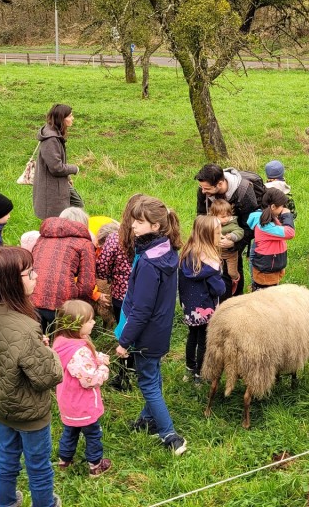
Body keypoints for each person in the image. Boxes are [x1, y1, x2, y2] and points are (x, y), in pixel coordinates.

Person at [0, 246, 64, 507]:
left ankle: (5, 501)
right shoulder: (26, 327)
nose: (36, 277)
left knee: (7, 455)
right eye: (29, 273)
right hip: (29, 412)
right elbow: (48, 375)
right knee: (39, 464)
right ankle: (45, 503)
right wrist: (48, 351)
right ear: (11, 281)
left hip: (0, 403)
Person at [114, 195, 187, 455]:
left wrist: (124, 341)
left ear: (155, 227)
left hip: (146, 334)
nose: (132, 225)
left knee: (147, 382)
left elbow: (141, 309)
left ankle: (169, 434)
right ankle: (147, 419)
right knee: (152, 375)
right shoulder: (167, 250)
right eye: (133, 220)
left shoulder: (147, 263)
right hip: (161, 329)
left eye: (139, 222)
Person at [52, 300, 112, 477]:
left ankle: (65, 460)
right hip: (83, 404)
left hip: (68, 402)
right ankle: (95, 465)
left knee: (70, 431)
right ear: (77, 325)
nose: (94, 322)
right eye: (90, 320)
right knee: (93, 434)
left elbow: (83, 362)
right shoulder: (79, 351)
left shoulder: (62, 342)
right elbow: (89, 379)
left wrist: (98, 357)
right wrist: (103, 370)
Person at [195, 164, 263, 299]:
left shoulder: (244, 193)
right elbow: (201, 214)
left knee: (233, 270)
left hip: (235, 237)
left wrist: (234, 244)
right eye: (201, 188)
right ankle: (217, 301)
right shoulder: (204, 189)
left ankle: (235, 302)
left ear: (220, 184)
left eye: (206, 188)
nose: (203, 191)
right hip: (212, 241)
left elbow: (250, 226)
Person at [96, 194, 142, 391]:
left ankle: (125, 375)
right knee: (141, 330)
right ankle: (141, 368)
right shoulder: (153, 239)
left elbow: (102, 267)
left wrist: (113, 276)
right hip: (145, 293)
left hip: (121, 295)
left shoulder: (115, 238)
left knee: (125, 333)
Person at [31, 207, 96, 334]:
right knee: (64, 343)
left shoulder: (42, 238)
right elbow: (87, 284)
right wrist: (80, 306)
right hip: (62, 303)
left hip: (32, 298)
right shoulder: (84, 243)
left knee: (38, 343)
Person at [178, 215, 227, 381]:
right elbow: (218, 289)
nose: (221, 236)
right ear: (207, 236)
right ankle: (200, 374)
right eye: (218, 233)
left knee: (192, 336)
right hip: (206, 308)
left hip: (189, 308)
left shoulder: (186, 255)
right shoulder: (210, 263)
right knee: (204, 340)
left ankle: (189, 368)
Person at [33, 103, 81, 220]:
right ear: (61, 119)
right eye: (69, 116)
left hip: (60, 185)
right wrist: (74, 169)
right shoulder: (51, 139)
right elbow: (56, 168)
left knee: (77, 207)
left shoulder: (55, 134)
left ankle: (73, 234)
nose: (72, 118)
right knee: (57, 221)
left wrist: (68, 178)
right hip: (52, 190)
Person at [247, 188, 296, 290]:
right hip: (266, 273)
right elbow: (289, 233)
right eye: (282, 206)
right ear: (273, 206)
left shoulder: (269, 219)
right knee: (265, 301)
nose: (283, 209)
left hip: (270, 268)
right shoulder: (264, 225)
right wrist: (287, 215)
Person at [209, 198, 244, 294]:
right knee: (217, 271)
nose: (227, 218)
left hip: (230, 254)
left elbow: (240, 231)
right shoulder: (211, 224)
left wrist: (232, 237)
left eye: (228, 215)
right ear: (214, 216)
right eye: (223, 217)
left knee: (231, 273)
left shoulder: (231, 224)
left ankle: (236, 280)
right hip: (217, 253)